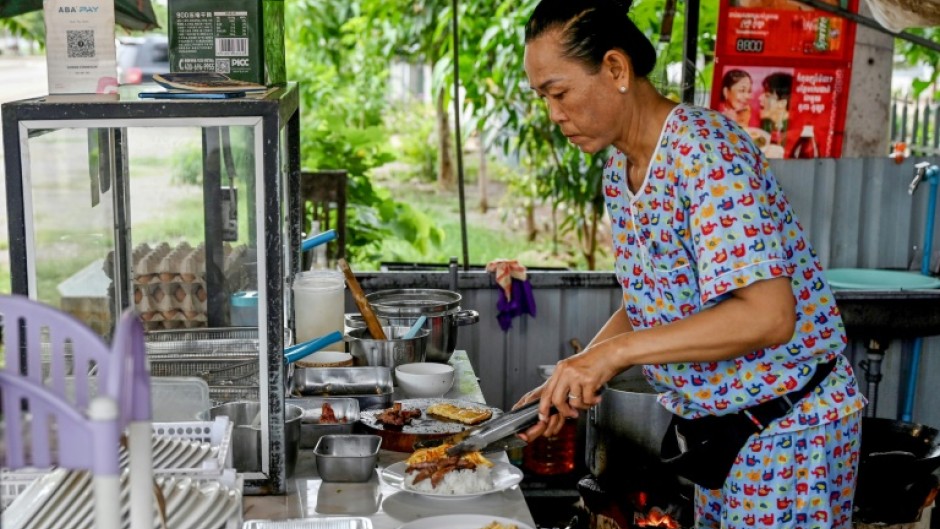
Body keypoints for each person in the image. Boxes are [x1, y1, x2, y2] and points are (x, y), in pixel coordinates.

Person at [517, 1, 866, 528]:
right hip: (719, 434)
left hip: (787, 431)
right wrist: (576, 372)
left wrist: (614, 356)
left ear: (615, 69)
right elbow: (654, 300)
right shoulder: (621, 168)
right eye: (543, 97)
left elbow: (768, 316)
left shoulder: (705, 151)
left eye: (559, 92)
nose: (554, 113)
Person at [758, 72, 793, 155]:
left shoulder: (792, 132)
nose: (760, 98)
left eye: (767, 96)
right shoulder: (766, 124)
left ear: (782, 103)